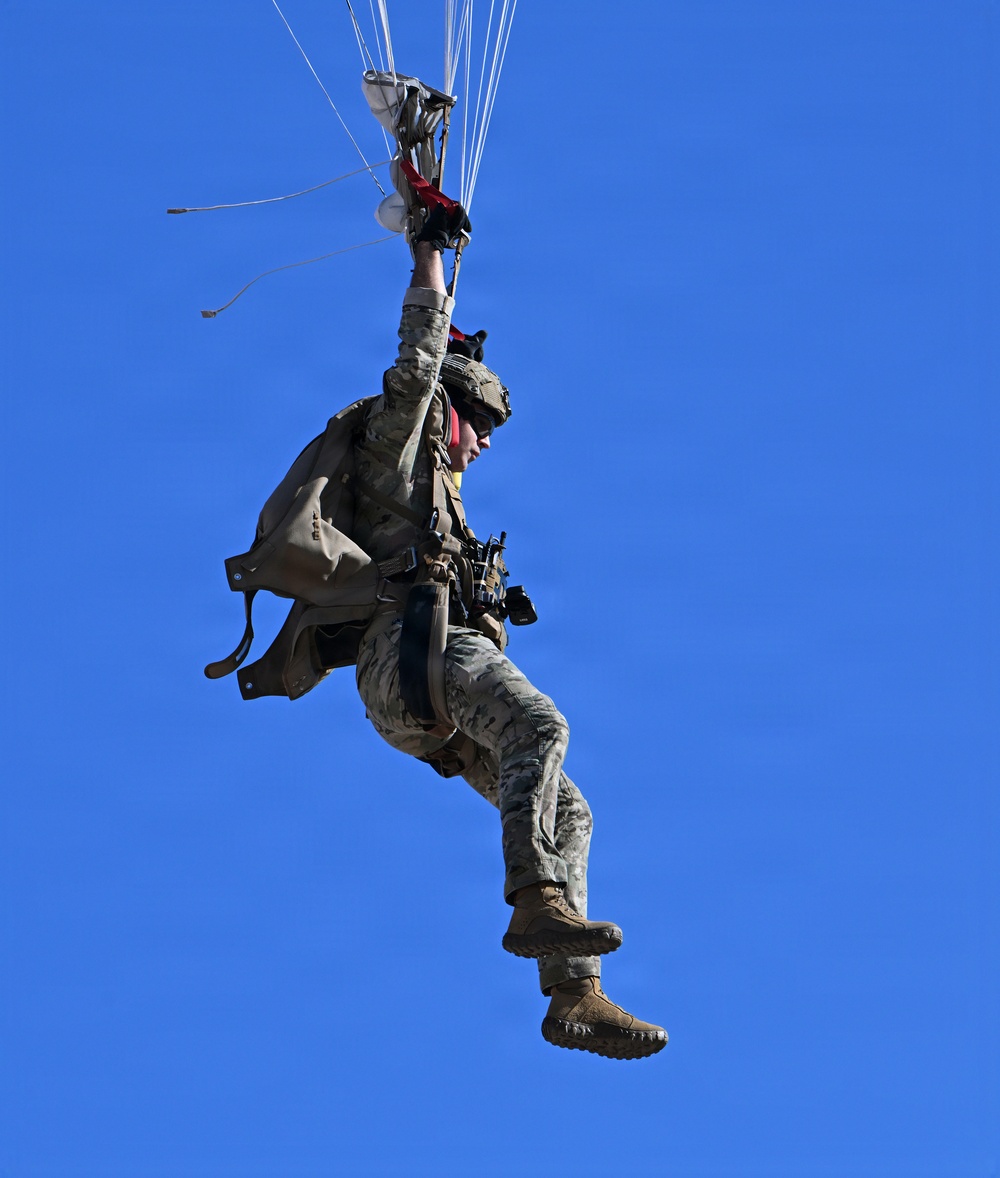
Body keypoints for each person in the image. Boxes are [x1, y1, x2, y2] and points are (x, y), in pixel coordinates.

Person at [350, 202, 667, 1060]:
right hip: (408, 656)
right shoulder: (397, 449)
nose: (485, 445)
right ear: (447, 412)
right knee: (541, 725)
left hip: (433, 687)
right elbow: (419, 361)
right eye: (480, 425)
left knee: (570, 807)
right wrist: (428, 256)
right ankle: (534, 899)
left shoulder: (443, 498)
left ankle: (574, 997)